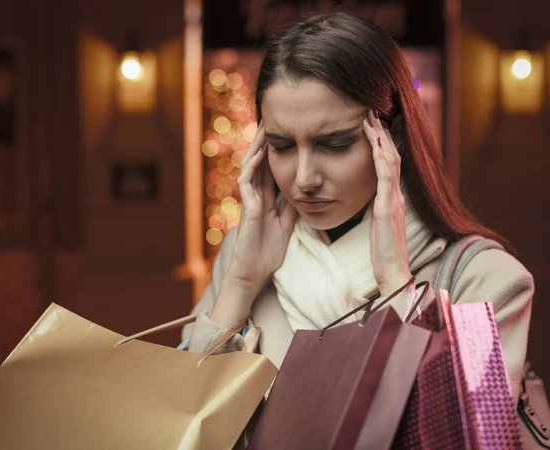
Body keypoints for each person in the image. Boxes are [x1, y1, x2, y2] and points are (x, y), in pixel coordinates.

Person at [182, 12, 533, 407]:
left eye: (334, 144)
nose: (304, 178)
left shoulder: (482, 279)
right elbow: (187, 416)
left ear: (390, 136)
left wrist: (396, 283)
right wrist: (241, 284)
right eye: (281, 146)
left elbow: (467, 428)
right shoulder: (243, 259)